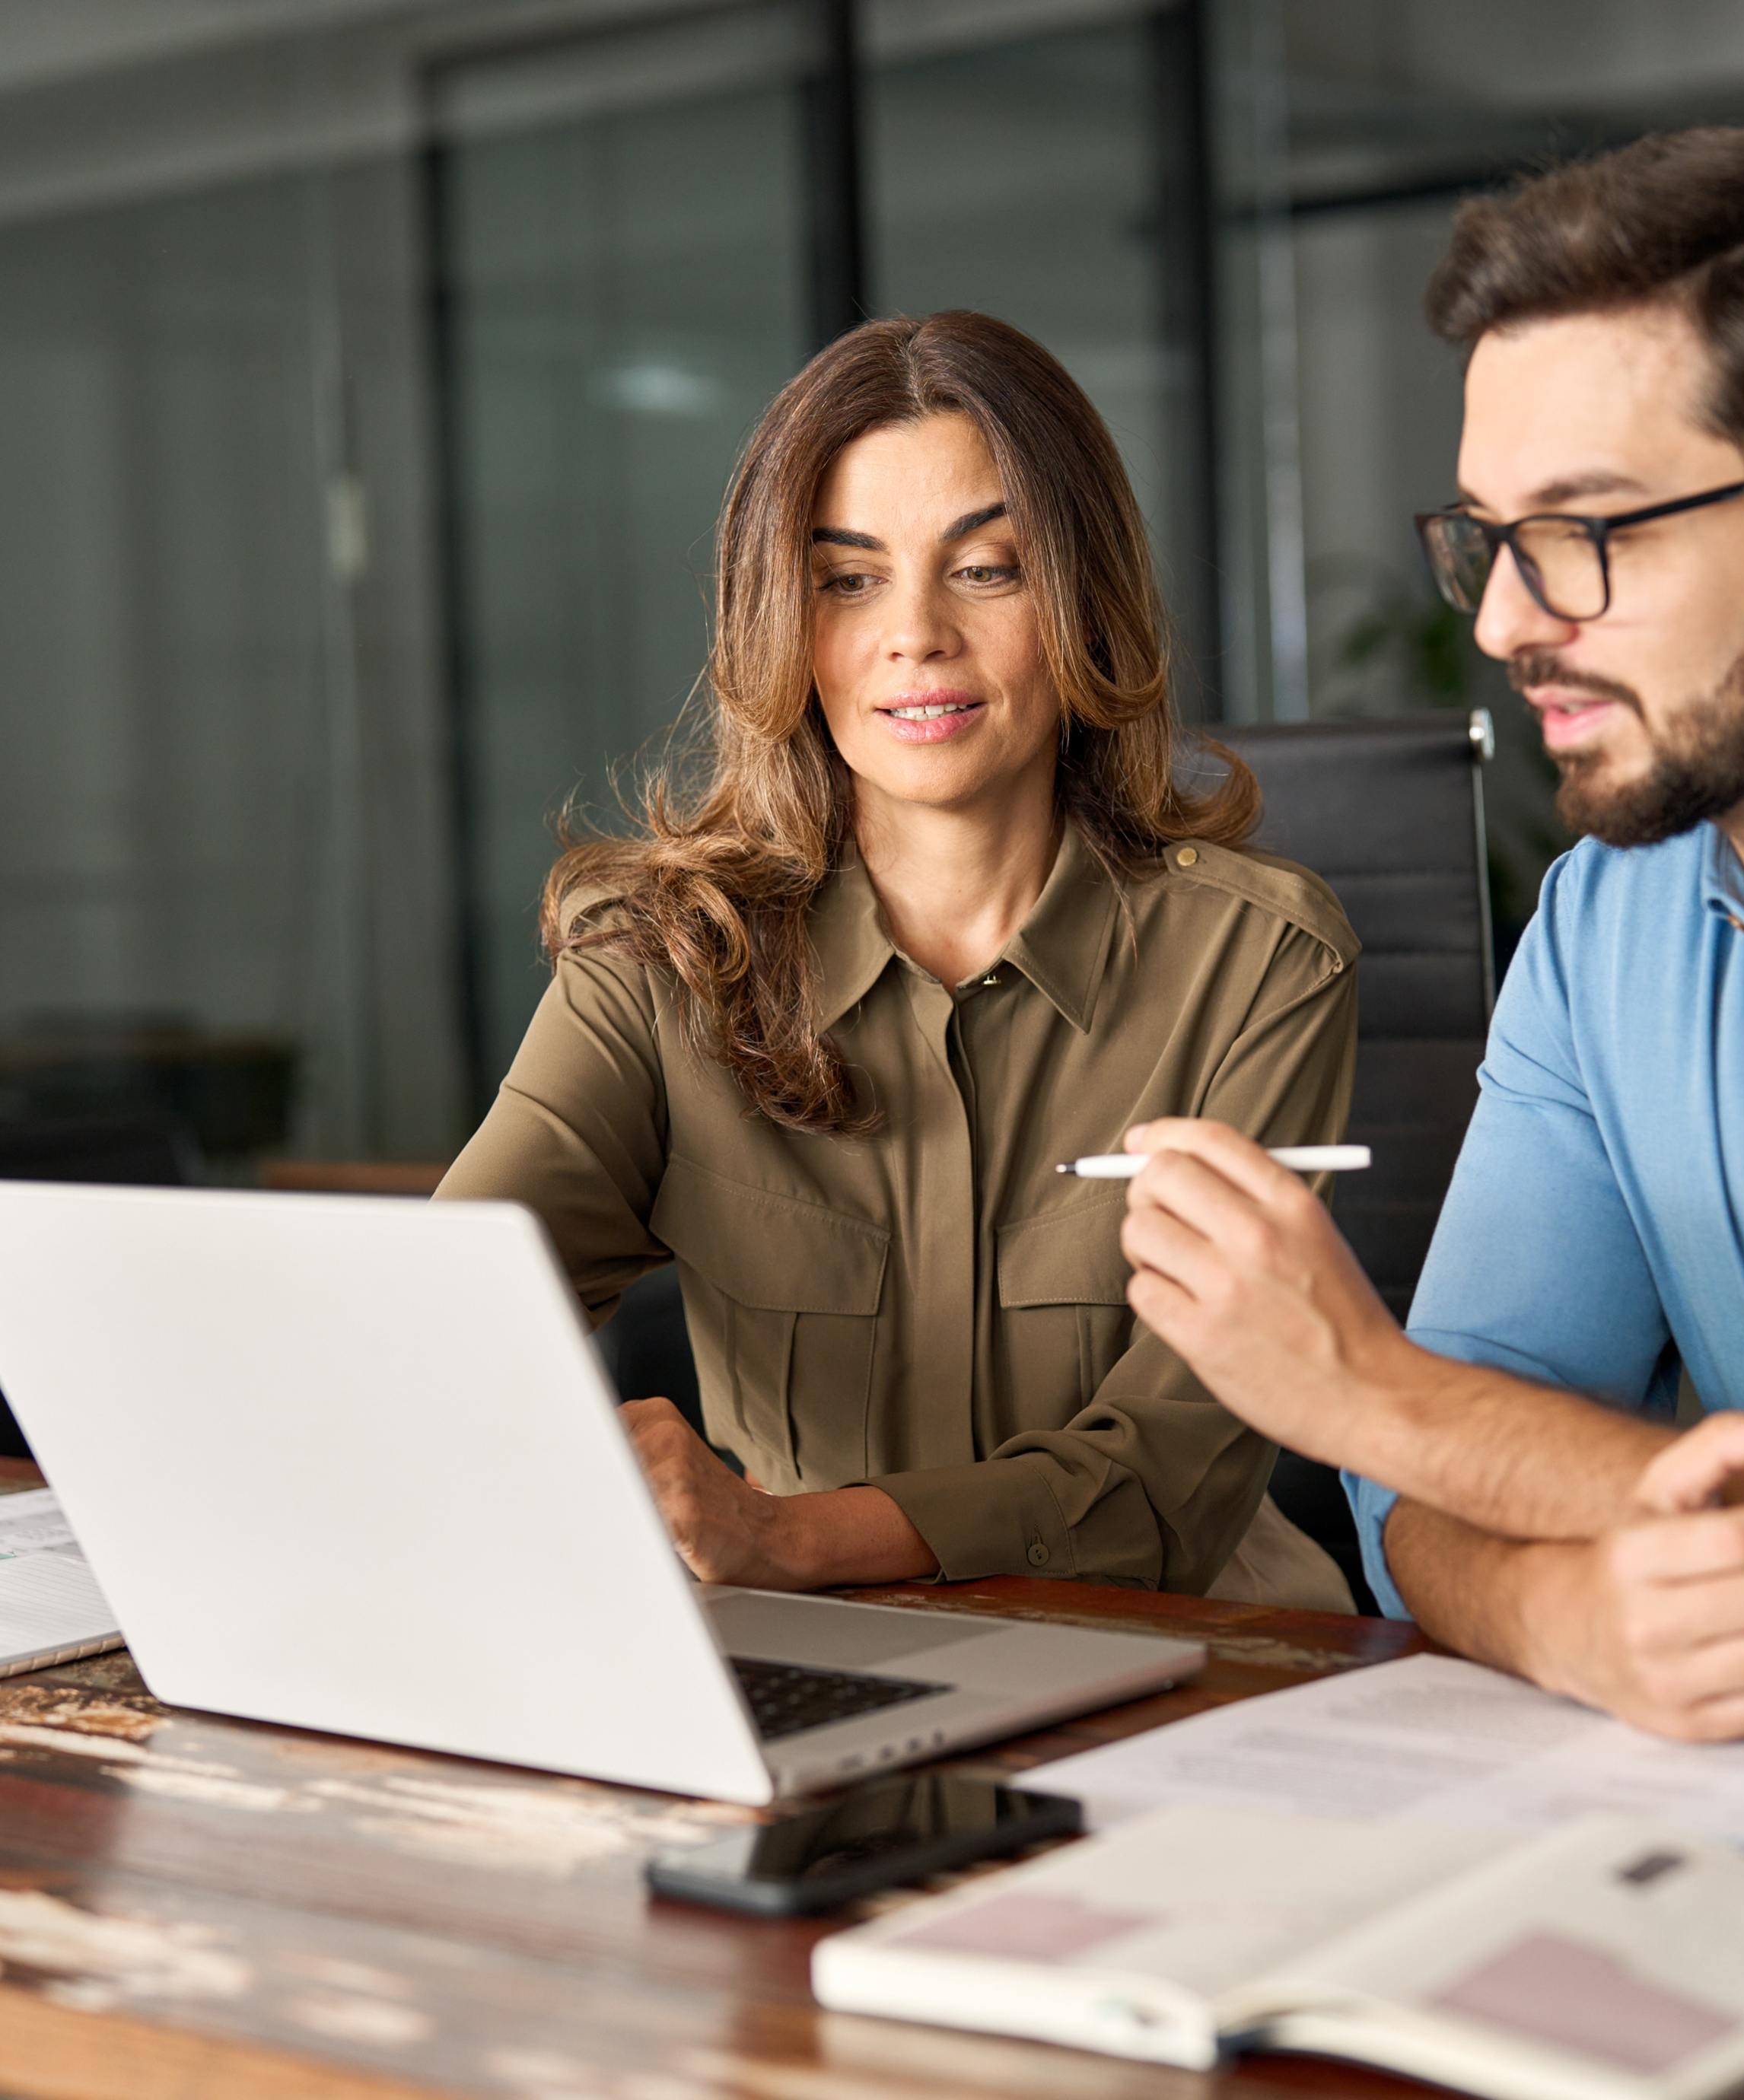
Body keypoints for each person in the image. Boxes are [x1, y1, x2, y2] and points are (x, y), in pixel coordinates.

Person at [1115, 126, 1744, 1739]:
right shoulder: (1610, 918)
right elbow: (1427, 1493)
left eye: (1589, 533)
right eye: (1485, 537)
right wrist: (1564, 1614)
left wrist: (1371, 1393)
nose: (1508, 621)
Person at [437, 310, 1361, 1608]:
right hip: (811, 1673)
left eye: (986, 569)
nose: (914, 634)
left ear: (1081, 596)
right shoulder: (656, 968)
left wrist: (788, 1539)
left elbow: (1172, 1470)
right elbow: (443, 1316)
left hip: (1190, 1662)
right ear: (782, 618)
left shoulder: (1258, 962)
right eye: (848, 578)